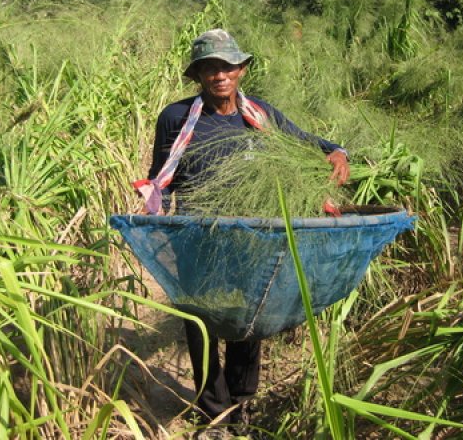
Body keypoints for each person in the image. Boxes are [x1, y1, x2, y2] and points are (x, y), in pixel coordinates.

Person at [136, 28, 349, 427]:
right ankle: (213, 411)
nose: (221, 76)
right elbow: (160, 178)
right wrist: (158, 220)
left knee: (247, 319)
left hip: (251, 238)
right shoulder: (177, 117)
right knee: (200, 324)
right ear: (198, 75)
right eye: (210, 68)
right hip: (197, 236)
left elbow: (304, 142)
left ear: (242, 69)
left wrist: (337, 152)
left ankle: (241, 404)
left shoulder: (260, 115)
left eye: (229, 67)